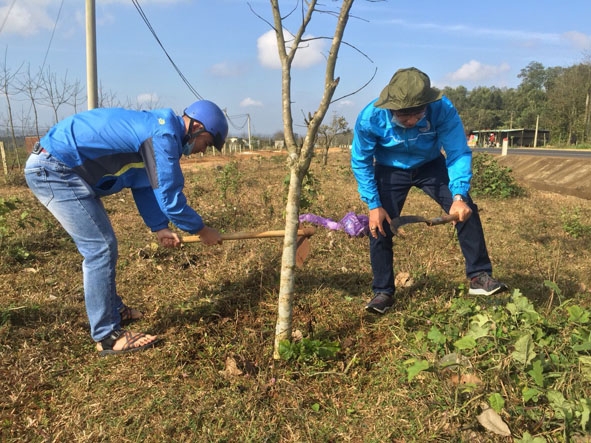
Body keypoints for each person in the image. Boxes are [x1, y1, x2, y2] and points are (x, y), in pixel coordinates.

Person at [24, 100, 229, 354]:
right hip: (55, 169)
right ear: (197, 126)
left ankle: (113, 310)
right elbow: (171, 200)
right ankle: (107, 336)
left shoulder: (161, 131)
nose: (202, 150)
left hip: (61, 167)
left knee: (103, 245)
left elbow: (142, 183)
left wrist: (159, 227)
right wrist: (201, 230)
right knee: (100, 248)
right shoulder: (162, 134)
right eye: (207, 143)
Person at [350, 67, 507, 315]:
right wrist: (373, 205)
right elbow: (361, 160)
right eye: (403, 114)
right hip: (390, 169)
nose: (411, 120)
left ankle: (479, 276)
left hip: (430, 165)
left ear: (427, 103)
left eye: (417, 112)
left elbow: (457, 152)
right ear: (390, 107)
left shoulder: (442, 109)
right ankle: (383, 292)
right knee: (378, 225)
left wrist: (458, 196)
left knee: (466, 210)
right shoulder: (370, 117)